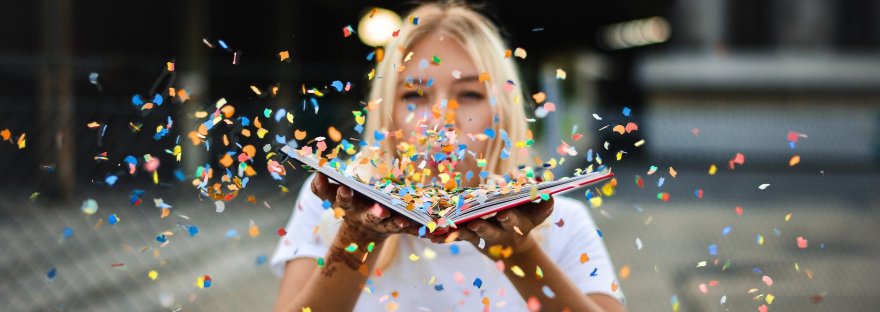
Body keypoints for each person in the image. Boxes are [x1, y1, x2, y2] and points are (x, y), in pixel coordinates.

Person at [271, 2, 626, 311]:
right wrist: (356, 237)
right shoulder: (329, 205)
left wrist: (518, 251)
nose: (442, 117)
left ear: (502, 111)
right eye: (415, 95)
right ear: (386, 110)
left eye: (469, 93)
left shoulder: (563, 222)